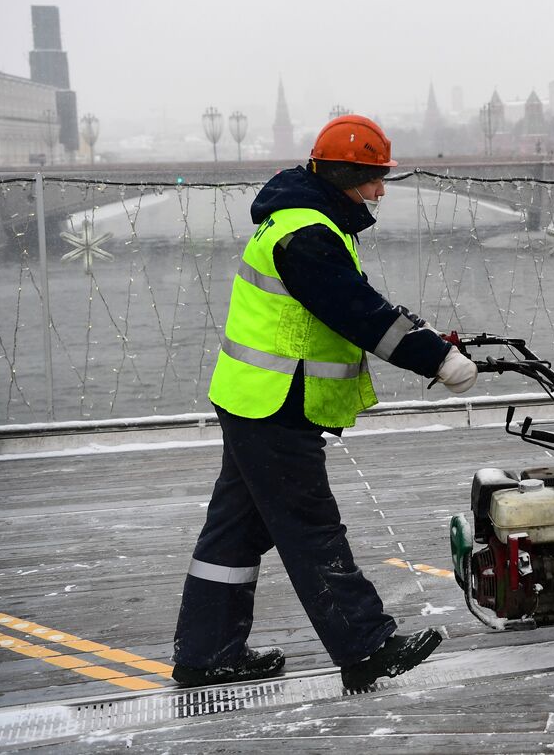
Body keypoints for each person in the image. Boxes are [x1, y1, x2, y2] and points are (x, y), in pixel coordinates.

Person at [171, 115, 478, 691]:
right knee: (311, 528)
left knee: (232, 534)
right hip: (276, 402)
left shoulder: (299, 220)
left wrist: (423, 333)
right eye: (374, 178)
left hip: (253, 398)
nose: (381, 190)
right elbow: (355, 310)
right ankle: (365, 646)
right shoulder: (308, 232)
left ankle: (207, 654)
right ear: (343, 176)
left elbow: (348, 305)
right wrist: (435, 359)